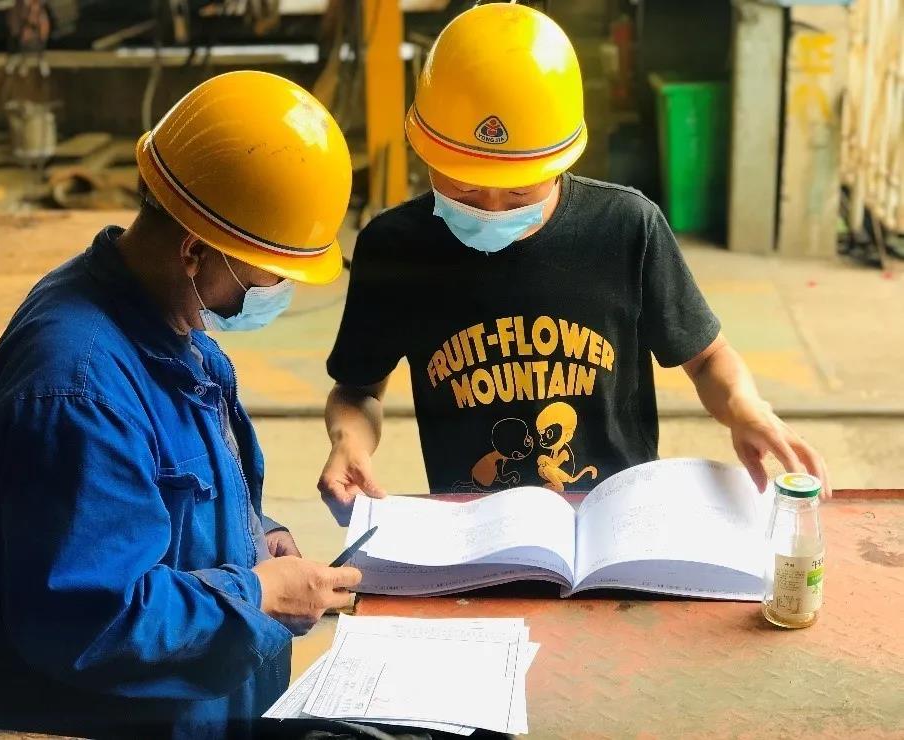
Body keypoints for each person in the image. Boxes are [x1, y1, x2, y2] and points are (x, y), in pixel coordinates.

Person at [0, 71, 361, 739]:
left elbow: (160, 501)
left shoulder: (167, 325)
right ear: (195, 250)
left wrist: (251, 536)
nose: (278, 291)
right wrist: (260, 592)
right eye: (269, 273)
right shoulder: (78, 393)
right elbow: (94, 618)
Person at [318, 3, 829, 525]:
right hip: (478, 530)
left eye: (519, 191)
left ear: (559, 162)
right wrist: (348, 441)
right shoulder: (394, 248)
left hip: (619, 524)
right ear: (425, 150)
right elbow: (359, 389)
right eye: (465, 186)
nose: (491, 206)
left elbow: (707, 358)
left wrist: (744, 406)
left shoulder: (626, 228)